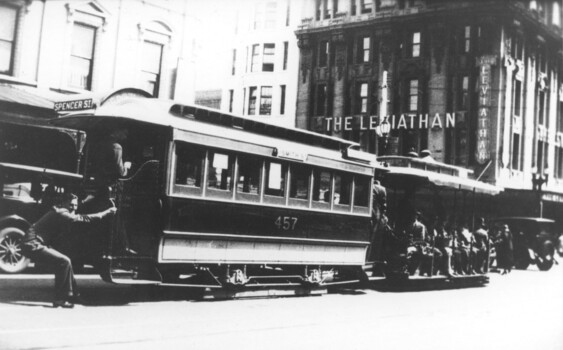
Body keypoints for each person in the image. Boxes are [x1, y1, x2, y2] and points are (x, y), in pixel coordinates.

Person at [21, 193, 117, 308]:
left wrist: (86, 201)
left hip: (35, 243)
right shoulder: (61, 213)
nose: (74, 207)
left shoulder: (61, 209)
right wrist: (106, 213)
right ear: (64, 203)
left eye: (75, 205)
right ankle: (60, 300)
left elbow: (76, 208)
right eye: (71, 205)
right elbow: (83, 218)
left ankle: (73, 295)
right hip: (32, 244)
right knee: (64, 261)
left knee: (67, 262)